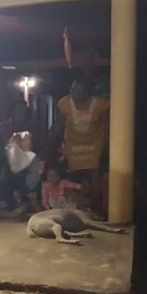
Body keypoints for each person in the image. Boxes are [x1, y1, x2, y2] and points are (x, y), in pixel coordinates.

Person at [53, 72, 110, 216]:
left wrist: (107, 145)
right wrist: (54, 141)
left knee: (95, 175)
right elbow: (59, 124)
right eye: (72, 89)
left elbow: (107, 125)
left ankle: (97, 207)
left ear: (87, 91)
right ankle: (76, 208)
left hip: (94, 145)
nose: (75, 93)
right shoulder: (65, 104)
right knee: (72, 178)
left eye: (79, 90)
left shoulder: (100, 104)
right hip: (73, 145)